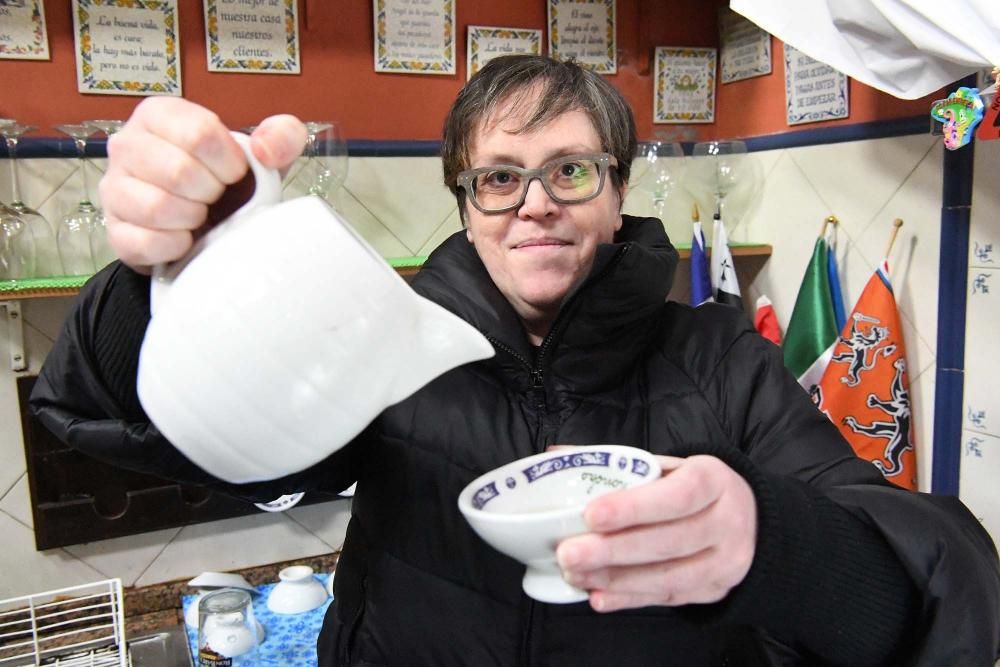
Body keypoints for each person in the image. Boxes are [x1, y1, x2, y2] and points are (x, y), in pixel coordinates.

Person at [30, 55, 999, 666]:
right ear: (463, 201)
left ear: (616, 196)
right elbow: (159, 429)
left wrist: (775, 544)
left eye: (569, 171)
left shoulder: (717, 358)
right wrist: (174, 275)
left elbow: (921, 585)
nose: (533, 203)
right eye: (498, 177)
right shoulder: (385, 347)